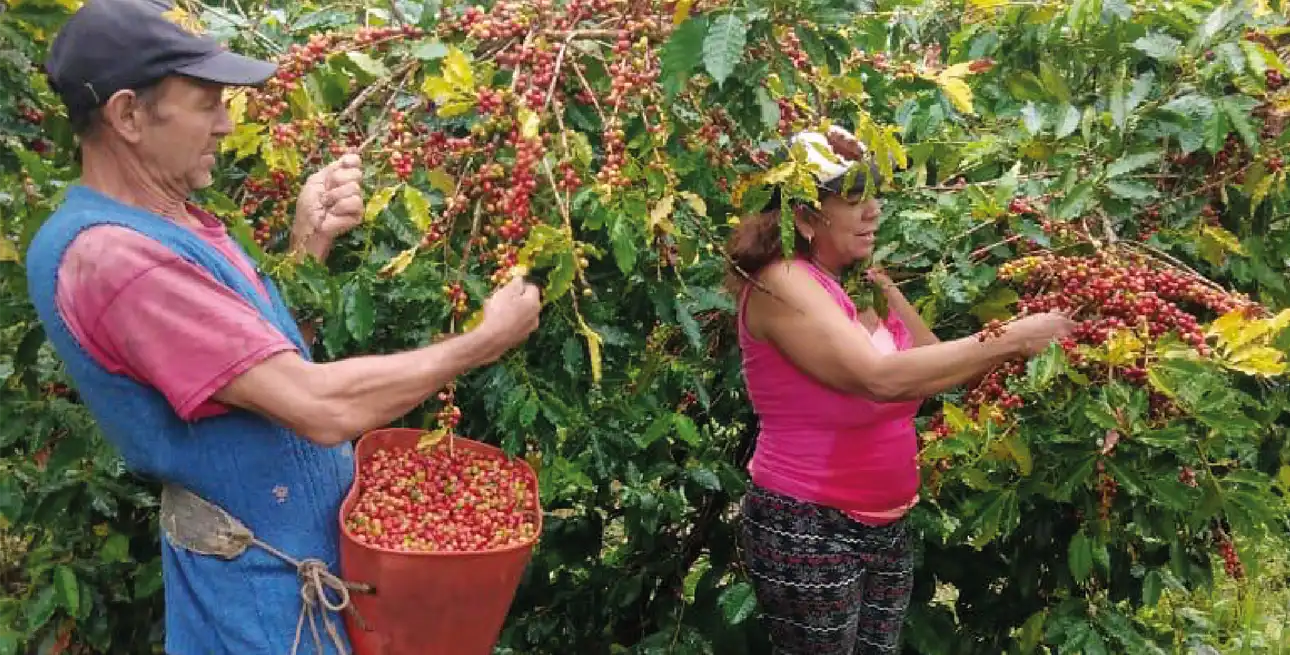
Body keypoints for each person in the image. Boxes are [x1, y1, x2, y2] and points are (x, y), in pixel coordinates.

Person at [24, 1, 542, 653]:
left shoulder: (170, 224)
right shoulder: (115, 261)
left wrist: (308, 245)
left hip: (302, 577)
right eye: (207, 102)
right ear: (128, 115)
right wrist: (481, 341)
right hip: (263, 612)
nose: (223, 124)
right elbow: (317, 406)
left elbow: (244, 367)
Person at [728, 126, 1075, 654]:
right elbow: (879, 378)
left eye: (874, 194)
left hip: (884, 527)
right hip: (810, 524)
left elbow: (930, 363)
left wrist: (1014, 339)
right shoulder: (783, 282)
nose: (873, 211)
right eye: (853, 197)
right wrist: (1014, 338)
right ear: (804, 215)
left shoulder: (863, 284)